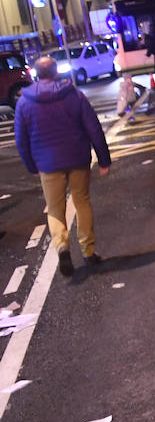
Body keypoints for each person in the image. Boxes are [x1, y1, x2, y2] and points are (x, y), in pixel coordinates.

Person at [15, 56, 113, 277]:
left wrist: (31, 166)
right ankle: (88, 251)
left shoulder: (24, 102)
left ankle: (62, 247)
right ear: (56, 71)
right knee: (82, 202)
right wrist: (104, 159)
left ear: (35, 74)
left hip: (47, 164)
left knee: (55, 208)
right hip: (77, 158)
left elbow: (21, 139)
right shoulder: (74, 95)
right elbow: (93, 127)